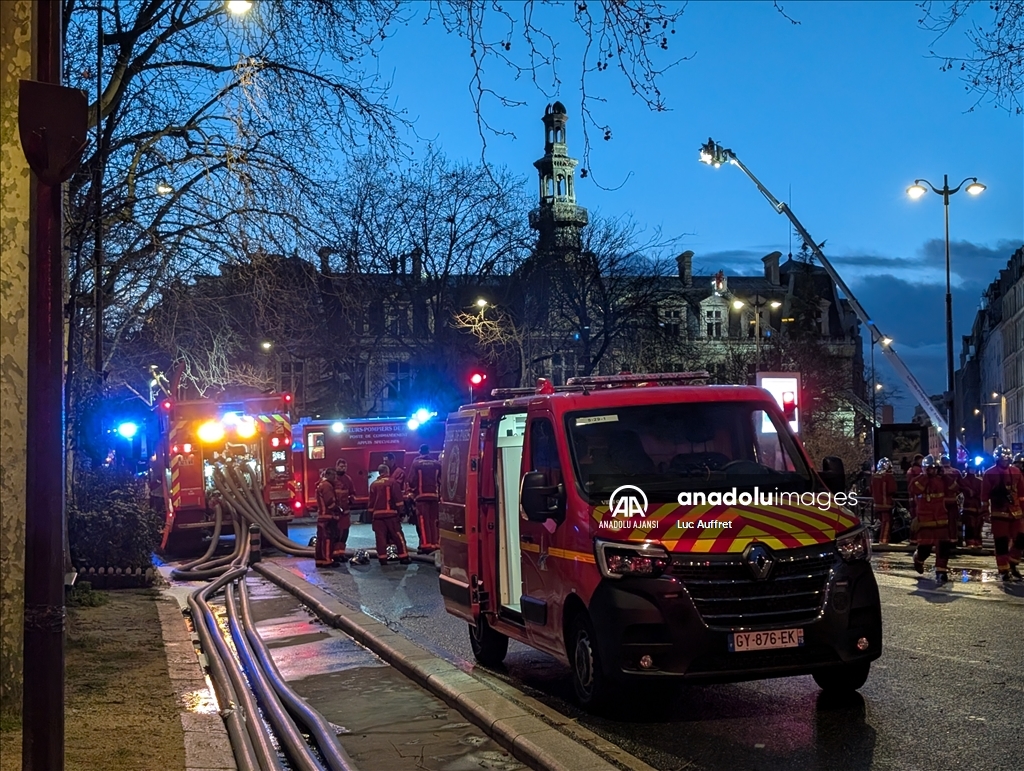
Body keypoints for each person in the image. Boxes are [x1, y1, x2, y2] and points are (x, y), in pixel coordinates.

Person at [908, 455, 956, 585]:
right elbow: (915, 489)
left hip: (941, 519)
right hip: (925, 520)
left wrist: (945, 475)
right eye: (930, 469)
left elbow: (954, 488)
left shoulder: (942, 480)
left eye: (935, 469)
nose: (933, 471)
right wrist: (924, 476)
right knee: (925, 548)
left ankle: (941, 571)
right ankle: (918, 559)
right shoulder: (918, 480)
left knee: (943, 547)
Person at [981, 445, 1024, 582]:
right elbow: (984, 494)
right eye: (1002, 459)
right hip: (999, 513)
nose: (1005, 461)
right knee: (1001, 542)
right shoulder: (990, 473)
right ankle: (1003, 569)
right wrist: (985, 511)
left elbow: (1021, 493)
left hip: (1016, 512)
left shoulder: (1016, 471)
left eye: (1006, 459)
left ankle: (1013, 562)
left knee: (1021, 539)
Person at [368, 463, 411, 566]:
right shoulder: (392, 482)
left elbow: (371, 503)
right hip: (391, 515)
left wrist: (371, 516)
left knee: (380, 538)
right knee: (398, 535)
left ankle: (382, 559)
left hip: (377, 516)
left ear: (379, 472)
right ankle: (403, 557)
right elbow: (398, 499)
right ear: (387, 471)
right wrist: (401, 512)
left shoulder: (373, 484)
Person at [407, 444, 442, 554]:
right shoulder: (437, 464)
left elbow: (411, 480)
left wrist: (412, 492)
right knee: (434, 520)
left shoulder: (416, 464)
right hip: (435, 497)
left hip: (421, 497)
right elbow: (441, 480)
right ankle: (436, 543)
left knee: (423, 521)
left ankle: (426, 544)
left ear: (419, 451)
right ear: (429, 451)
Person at [315, 468, 342, 567]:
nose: (335, 478)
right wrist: (338, 509)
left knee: (321, 539)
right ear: (329, 475)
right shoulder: (327, 486)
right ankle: (327, 560)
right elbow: (330, 502)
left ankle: (320, 560)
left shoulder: (321, 485)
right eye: (334, 476)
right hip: (328, 517)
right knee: (327, 539)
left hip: (322, 517)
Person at [331, 458, 357, 560]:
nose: (343, 468)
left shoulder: (348, 479)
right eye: (341, 466)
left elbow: (353, 493)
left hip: (345, 513)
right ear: (336, 466)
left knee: (344, 533)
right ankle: (335, 554)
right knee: (336, 534)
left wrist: (351, 500)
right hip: (335, 513)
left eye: (344, 467)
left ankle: (341, 553)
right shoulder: (333, 479)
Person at [871, 457, 897, 545]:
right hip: (886, 503)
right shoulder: (888, 476)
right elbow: (892, 489)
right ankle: (884, 540)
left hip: (876, 504)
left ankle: (877, 538)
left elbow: (870, 490)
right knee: (887, 522)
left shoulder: (874, 476)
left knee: (880, 522)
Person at [939, 454, 962, 545]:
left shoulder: (937, 472)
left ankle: (943, 538)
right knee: (953, 521)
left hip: (940, 501)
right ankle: (953, 539)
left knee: (941, 521)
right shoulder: (956, 472)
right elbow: (961, 486)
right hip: (952, 500)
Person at [959, 465, 984, 550]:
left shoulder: (979, 481)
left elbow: (982, 491)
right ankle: (969, 540)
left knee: (978, 524)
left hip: (977, 505)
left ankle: (977, 539)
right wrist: (968, 491)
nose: (972, 470)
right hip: (968, 505)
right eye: (971, 468)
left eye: (973, 469)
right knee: (970, 524)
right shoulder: (963, 480)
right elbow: (961, 488)